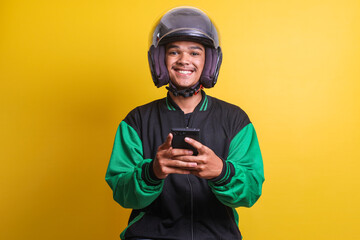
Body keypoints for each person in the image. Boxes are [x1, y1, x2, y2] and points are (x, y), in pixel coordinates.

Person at [105, 6, 264, 240]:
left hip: (217, 235)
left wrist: (222, 172)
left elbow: (250, 191)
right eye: (174, 52)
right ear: (160, 59)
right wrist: (152, 172)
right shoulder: (137, 120)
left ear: (209, 61)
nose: (184, 60)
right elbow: (122, 193)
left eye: (195, 52)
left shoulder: (235, 120)